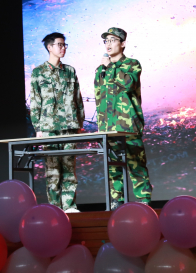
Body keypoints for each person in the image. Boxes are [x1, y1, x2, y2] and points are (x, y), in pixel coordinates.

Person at [94, 27, 153, 210]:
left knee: (137, 166)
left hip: (129, 127)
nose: (108, 44)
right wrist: (101, 126)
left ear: (123, 43)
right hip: (108, 129)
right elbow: (99, 97)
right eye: (106, 41)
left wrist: (110, 66)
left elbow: (128, 84)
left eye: (112, 40)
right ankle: (116, 204)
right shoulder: (100, 69)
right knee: (113, 169)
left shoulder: (132, 64)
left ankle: (144, 203)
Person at [29, 32, 85, 213]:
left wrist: (79, 123)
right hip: (49, 128)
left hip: (69, 127)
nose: (63, 48)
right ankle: (55, 208)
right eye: (60, 45)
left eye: (64, 45)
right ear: (49, 47)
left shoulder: (70, 71)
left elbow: (78, 99)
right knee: (53, 171)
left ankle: (69, 206)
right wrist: (38, 127)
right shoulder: (38, 72)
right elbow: (35, 101)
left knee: (69, 169)